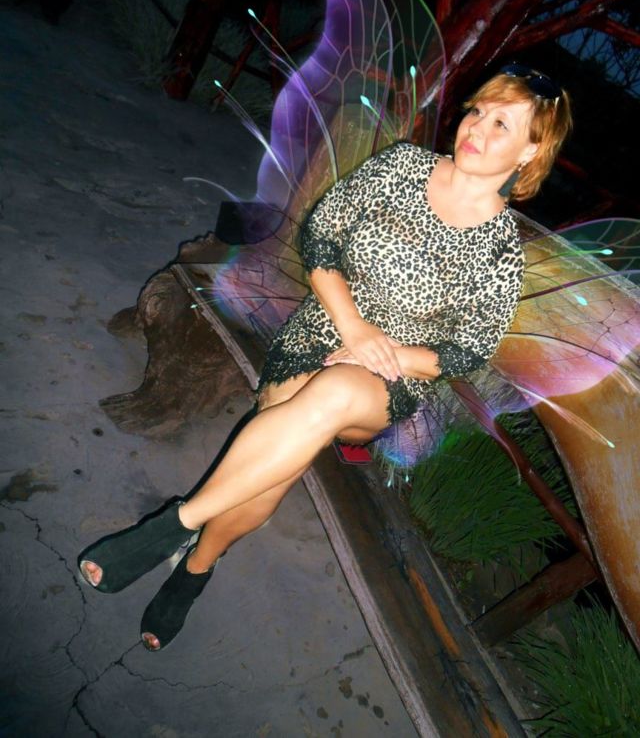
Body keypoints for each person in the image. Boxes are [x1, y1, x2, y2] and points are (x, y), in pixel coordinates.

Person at [78, 64, 572, 650]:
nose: (477, 129)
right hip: (321, 329)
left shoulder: (502, 251)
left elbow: (467, 349)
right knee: (276, 465)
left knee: (332, 395)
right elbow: (321, 238)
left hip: (390, 377)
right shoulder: (403, 166)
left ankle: (174, 524)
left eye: (501, 124)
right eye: (477, 112)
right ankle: (196, 567)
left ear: (531, 151)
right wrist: (354, 328)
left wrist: (387, 354)